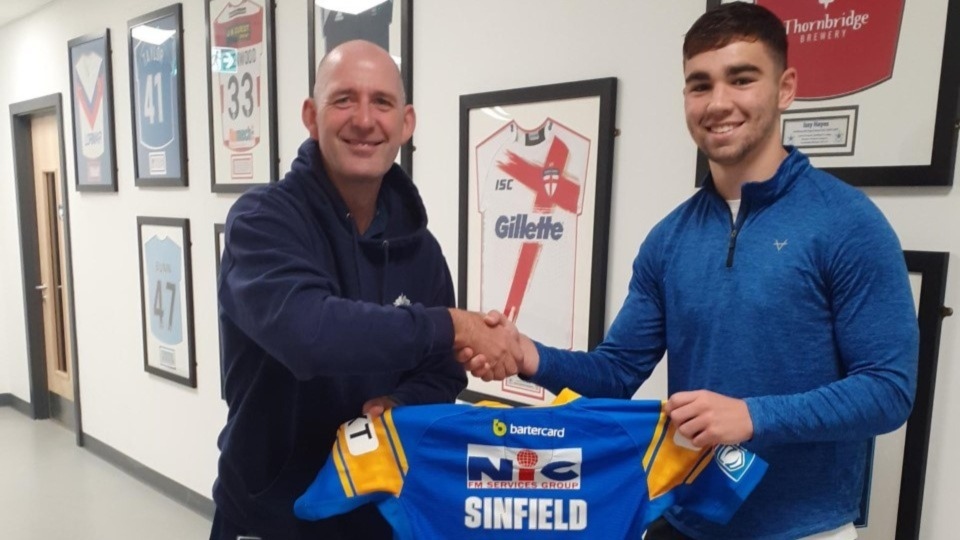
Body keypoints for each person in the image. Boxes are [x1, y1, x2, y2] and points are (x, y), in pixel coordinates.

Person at [463, 3, 919, 539]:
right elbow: (617, 372)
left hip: (802, 529)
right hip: (684, 516)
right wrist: (526, 355)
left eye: (742, 79)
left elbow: (888, 391)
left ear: (786, 87)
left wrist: (753, 416)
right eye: (699, 85)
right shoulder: (669, 239)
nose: (718, 102)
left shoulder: (848, 223)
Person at [211, 40, 522, 540]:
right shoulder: (261, 222)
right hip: (271, 519)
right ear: (311, 116)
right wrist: (451, 324)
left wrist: (403, 401)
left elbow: (441, 369)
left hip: (383, 517)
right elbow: (308, 333)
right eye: (343, 100)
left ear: (406, 122)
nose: (363, 119)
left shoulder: (421, 249)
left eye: (381, 102)